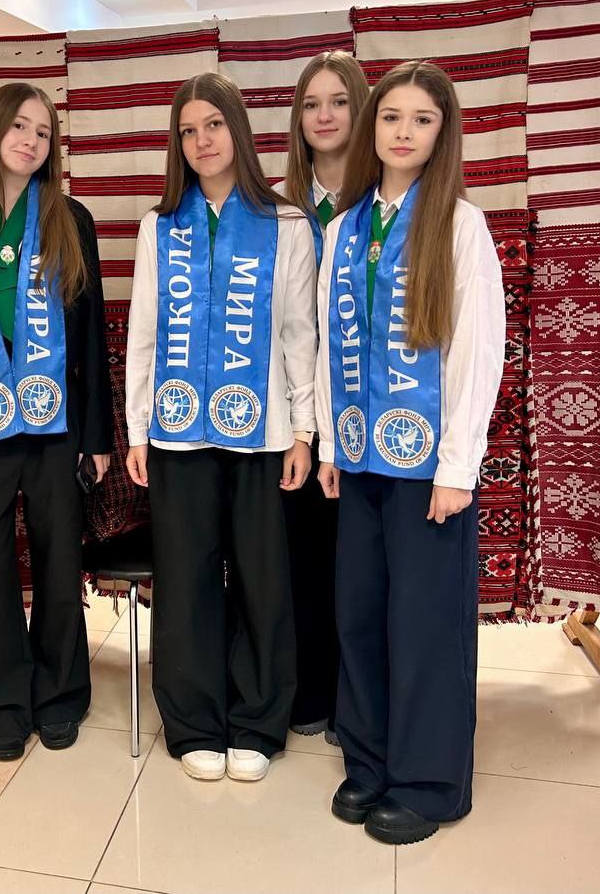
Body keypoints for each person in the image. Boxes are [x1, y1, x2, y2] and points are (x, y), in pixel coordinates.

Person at [315, 60, 505, 844]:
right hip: (360, 460)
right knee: (360, 614)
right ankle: (368, 760)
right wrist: (329, 443)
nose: (402, 132)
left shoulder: (459, 225)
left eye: (421, 119)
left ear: (441, 133)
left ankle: (429, 782)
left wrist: (458, 468)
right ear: (372, 127)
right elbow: (329, 344)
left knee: (424, 624)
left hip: (429, 469)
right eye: (390, 116)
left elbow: (477, 353)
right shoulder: (343, 229)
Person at [125, 72, 317, 784]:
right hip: (177, 434)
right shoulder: (159, 226)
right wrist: (137, 429)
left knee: (264, 580)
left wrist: (304, 431)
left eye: (213, 125)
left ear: (238, 130)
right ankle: (194, 721)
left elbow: (300, 334)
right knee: (186, 580)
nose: (202, 140)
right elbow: (144, 332)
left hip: (264, 435)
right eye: (188, 130)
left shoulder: (287, 225)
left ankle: (259, 721)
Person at [0, 82, 112, 761]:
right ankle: (1, 701)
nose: (32, 141)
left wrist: (98, 436)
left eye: (43, 131)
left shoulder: (70, 220)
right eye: (20, 127)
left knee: (60, 562)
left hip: (57, 426)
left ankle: (60, 694)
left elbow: (91, 333)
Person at [276, 50, 369, 745]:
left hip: (366, 408)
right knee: (300, 554)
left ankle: (354, 699)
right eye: (312, 104)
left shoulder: (381, 204)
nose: (326, 115)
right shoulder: (278, 211)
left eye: (338, 101)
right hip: (293, 412)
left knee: (356, 561)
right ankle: (306, 688)